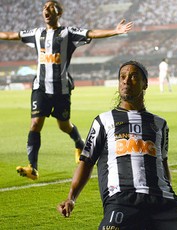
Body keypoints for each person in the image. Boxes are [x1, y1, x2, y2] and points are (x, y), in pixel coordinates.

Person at [57, 61, 177, 230]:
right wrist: (71, 197)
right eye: (122, 77)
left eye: (133, 76)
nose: (126, 81)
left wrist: (167, 190)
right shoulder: (103, 121)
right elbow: (86, 162)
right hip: (122, 201)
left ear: (145, 83)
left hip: (163, 202)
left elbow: (162, 163)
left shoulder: (160, 124)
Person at [0, 0, 133, 180]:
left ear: (58, 13)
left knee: (64, 126)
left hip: (61, 90)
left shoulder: (68, 33)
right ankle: (32, 167)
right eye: (44, 8)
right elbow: (10, 36)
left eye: (50, 8)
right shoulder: (37, 34)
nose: (46, 10)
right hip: (40, 88)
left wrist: (115, 31)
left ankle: (79, 144)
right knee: (35, 124)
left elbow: (91, 33)